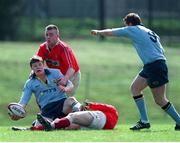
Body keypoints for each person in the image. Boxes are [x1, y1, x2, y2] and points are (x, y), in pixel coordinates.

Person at [91, 13, 180, 131]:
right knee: (135, 88)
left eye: (126, 24)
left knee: (160, 100)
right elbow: (161, 50)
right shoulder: (149, 31)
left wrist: (98, 32)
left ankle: (179, 121)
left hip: (155, 66)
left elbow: (111, 32)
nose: (126, 27)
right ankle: (144, 121)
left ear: (130, 23)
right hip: (152, 65)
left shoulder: (133, 29)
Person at [9, 55, 82, 130]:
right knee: (41, 128)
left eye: (40, 65)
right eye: (35, 66)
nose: (38, 67)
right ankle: (26, 129)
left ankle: (80, 112)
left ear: (43, 65)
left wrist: (66, 88)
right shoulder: (30, 83)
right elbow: (24, 101)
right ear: (32, 68)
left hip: (62, 104)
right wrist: (17, 111)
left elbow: (70, 84)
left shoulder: (55, 73)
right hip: (47, 109)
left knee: (71, 100)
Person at [37, 24, 80, 96]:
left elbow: (71, 68)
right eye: (46, 35)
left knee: (66, 100)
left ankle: (78, 107)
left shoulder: (64, 48)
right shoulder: (43, 47)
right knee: (54, 99)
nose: (48, 37)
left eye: (51, 35)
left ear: (57, 35)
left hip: (71, 76)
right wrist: (33, 73)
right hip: (56, 76)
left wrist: (65, 79)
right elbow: (37, 63)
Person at [37, 101, 118, 131]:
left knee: (72, 116)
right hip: (98, 127)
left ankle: (50, 125)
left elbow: (97, 106)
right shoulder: (112, 119)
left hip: (100, 118)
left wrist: (88, 104)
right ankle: (35, 128)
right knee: (67, 126)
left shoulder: (111, 110)